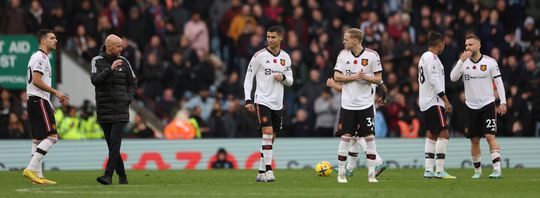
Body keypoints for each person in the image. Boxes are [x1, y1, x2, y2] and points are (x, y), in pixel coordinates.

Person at [333, 28, 386, 183]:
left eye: (346, 39)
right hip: (348, 105)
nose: (344, 42)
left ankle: (371, 175)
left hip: (366, 105)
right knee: (346, 137)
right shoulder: (343, 55)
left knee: (369, 137)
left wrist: (366, 77)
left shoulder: (372, 55)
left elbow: (378, 79)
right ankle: (341, 174)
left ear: (356, 40)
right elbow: (337, 76)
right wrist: (354, 77)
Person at [450, 34, 507, 179]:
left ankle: (497, 170)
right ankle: (477, 171)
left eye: (470, 44)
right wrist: (460, 61)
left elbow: (499, 83)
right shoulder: (463, 63)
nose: (467, 47)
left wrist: (503, 102)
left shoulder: (490, 62)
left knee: (489, 136)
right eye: (466, 45)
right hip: (470, 106)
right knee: (474, 139)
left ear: (478, 45)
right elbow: (453, 78)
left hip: (487, 105)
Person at [243, 26, 293, 182]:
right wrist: (248, 99)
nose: (269, 39)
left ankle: (260, 171)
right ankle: (269, 170)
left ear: (280, 38)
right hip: (262, 99)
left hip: (277, 103)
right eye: (268, 37)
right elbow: (248, 78)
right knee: (268, 132)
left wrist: (283, 78)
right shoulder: (259, 56)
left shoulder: (286, 57)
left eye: (273, 37)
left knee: (271, 138)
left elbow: (290, 81)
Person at [23, 29, 70, 185]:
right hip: (38, 100)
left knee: (38, 139)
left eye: (55, 38)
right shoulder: (41, 57)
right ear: (43, 41)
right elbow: (36, 80)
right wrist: (55, 92)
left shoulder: (38, 56)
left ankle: (38, 176)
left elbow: (33, 83)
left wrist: (48, 103)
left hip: (35, 100)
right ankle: (31, 169)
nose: (55, 40)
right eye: (52, 38)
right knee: (52, 137)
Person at [91, 34, 137, 185]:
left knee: (115, 143)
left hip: (120, 109)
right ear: (109, 46)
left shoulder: (124, 61)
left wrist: (128, 98)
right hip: (104, 110)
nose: (121, 49)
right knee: (112, 146)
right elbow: (95, 80)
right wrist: (110, 69)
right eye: (118, 46)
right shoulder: (96, 61)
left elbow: (133, 82)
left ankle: (108, 175)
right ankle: (123, 177)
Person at [326, 78, 388, 179]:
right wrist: (383, 97)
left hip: (361, 109)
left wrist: (333, 85)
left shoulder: (363, 72)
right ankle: (349, 169)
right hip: (367, 109)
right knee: (354, 138)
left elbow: (352, 92)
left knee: (360, 137)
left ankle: (378, 162)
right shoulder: (372, 74)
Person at [418, 32, 455, 179]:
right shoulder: (430, 57)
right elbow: (434, 80)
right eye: (443, 44)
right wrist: (445, 100)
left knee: (431, 133)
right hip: (434, 101)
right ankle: (439, 170)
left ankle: (428, 170)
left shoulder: (425, 57)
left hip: (427, 100)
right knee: (444, 132)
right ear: (440, 44)